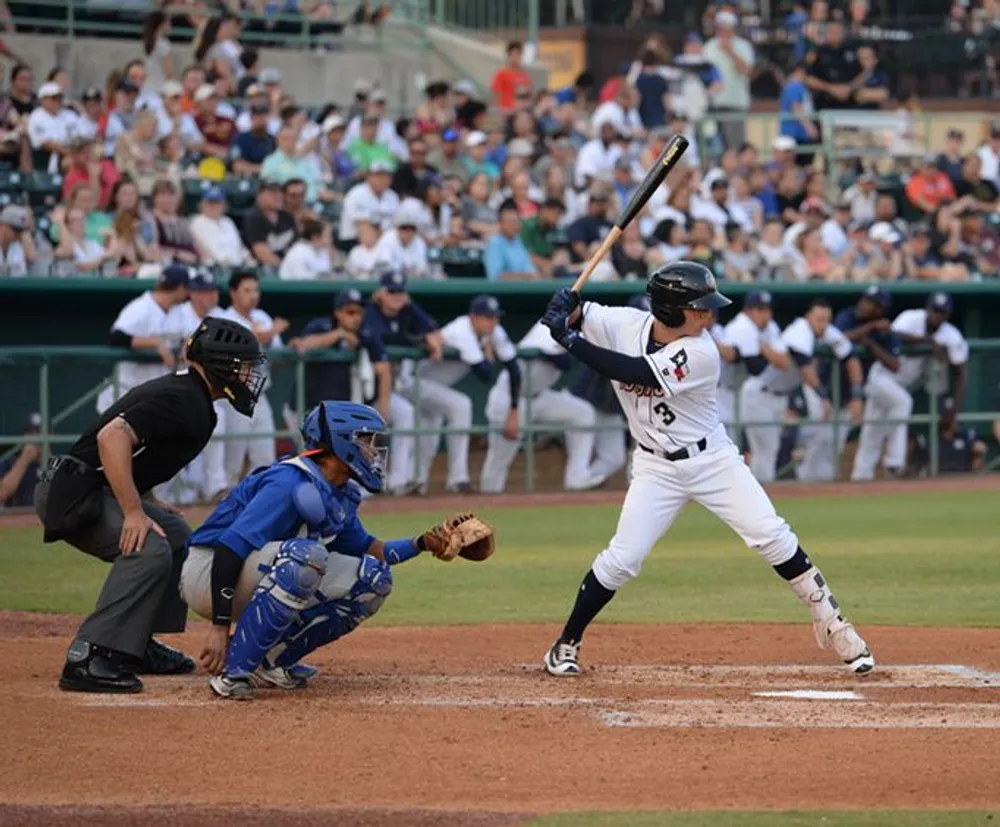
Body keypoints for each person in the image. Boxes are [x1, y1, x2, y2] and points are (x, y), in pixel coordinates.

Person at [538, 263, 874, 678]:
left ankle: (833, 625)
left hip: (712, 461)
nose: (709, 315)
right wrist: (564, 308)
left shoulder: (702, 351)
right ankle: (565, 644)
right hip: (654, 467)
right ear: (670, 309)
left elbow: (634, 371)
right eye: (699, 308)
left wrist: (569, 339)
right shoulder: (624, 323)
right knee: (622, 560)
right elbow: (580, 312)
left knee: (771, 534)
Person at [178, 401, 472, 698]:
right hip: (208, 572)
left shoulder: (339, 491)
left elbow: (374, 551)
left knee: (373, 578)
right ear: (341, 442)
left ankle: (270, 660)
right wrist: (219, 627)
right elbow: (230, 548)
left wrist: (423, 543)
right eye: (366, 440)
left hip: (259, 570)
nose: (373, 451)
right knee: (306, 558)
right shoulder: (287, 481)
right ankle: (234, 673)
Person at [34, 317, 265, 693]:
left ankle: (136, 645)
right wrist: (132, 511)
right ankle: (90, 655)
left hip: (90, 486)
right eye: (243, 365)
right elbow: (112, 438)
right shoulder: (184, 398)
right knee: (148, 548)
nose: (250, 374)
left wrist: (146, 499)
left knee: (175, 535)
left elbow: (139, 452)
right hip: (74, 492)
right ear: (221, 363)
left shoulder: (193, 396)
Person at [407, 295, 519, 495]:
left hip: (434, 388)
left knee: (428, 439)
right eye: (487, 317)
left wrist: (514, 408)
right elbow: (484, 374)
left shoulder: (494, 332)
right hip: (411, 380)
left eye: (495, 317)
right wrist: (487, 351)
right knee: (460, 405)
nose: (493, 322)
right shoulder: (461, 330)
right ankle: (459, 479)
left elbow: (514, 368)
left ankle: (414, 484)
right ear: (474, 318)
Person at [480, 319, 605, 495]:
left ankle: (577, 477)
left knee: (582, 413)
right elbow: (563, 361)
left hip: (540, 396)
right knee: (499, 459)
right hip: (510, 399)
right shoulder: (546, 327)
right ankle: (488, 500)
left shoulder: (576, 329)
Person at [852, 292, 968, 482]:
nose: (937, 316)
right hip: (881, 377)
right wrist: (927, 342)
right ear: (928, 309)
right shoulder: (911, 317)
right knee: (903, 403)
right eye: (935, 311)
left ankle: (861, 478)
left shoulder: (951, 334)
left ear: (948, 315)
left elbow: (961, 372)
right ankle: (895, 463)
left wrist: (953, 407)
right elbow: (893, 332)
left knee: (873, 431)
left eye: (942, 313)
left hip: (900, 384)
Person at [743, 299, 862, 483]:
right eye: (819, 319)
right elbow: (805, 368)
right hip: (760, 392)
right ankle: (757, 495)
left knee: (771, 450)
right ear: (808, 317)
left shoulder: (827, 331)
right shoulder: (799, 330)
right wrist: (823, 398)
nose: (822, 324)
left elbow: (851, 359)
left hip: (779, 395)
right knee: (764, 452)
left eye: (826, 319)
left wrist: (856, 396)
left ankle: (796, 475)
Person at [363, 271, 443, 495]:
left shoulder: (408, 310)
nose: (396, 296)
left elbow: (435, 332)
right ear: (381, 293)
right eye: (391, 291)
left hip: (385, 388)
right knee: (360, 439)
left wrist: (431, 340)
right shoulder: (370, 314)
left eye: (400, 291)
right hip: (362, 390)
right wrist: (385, 407)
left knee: (406, 413)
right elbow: (381, 363)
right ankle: (362, 486)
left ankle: (398, 481)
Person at [160, 270, 229, 504]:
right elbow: (175, 347)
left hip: (209, 389)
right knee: (171, 441)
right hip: (176, 386)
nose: (211, 296)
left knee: (217, 426)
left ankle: (215, 488)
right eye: (205, 291)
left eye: (213, 291)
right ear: (193, 294)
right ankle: (160, 494)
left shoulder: (221, 315)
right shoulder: (179, 314)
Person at [220, 269, 289, 486]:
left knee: (265, 458)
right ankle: (223, 508)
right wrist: (266, 334)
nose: (252, 295)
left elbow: (279, 359)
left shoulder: (262, 318)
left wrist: (268, 339)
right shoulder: (224, 318)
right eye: (246, 290)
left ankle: (260, 507)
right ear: (233, 293)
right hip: (232, 396)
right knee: (232, 460)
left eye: (255, 290)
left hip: (260, 394)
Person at [287, 287, 392, 422]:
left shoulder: (366, 333)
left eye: (359, 312)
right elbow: (302, 344)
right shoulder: (321, 326)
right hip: (306, 408)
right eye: (350, 312)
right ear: (338, 313)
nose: (356, 318)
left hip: (341, 411)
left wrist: (382, 410)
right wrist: (339, 334)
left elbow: (383, 369)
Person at [96, 265, 190, 413]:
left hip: (156, 392)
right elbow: (116, 338)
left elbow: (185, 336)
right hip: (126, 391)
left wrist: (187, 345)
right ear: (179, 288)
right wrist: (155, 342)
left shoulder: (178, 311)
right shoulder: (141, 307)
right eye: (186, 288)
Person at [702, 10, 755, 149]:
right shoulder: (709, 47)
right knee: (713, 147)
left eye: (728, 27)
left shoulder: (744, 46)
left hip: (735, 104)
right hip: (713, 104)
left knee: (735, 147)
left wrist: (730, 51)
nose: (724, 31)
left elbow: (747, 71)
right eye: (721, 27)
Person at [242, 180, 297, 266]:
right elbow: (262, 253)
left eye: (279, 193)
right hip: (262, 269)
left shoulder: (287, 217)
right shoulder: (253, 218)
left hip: (288, 266)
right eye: (272, 193)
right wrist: (286, 270)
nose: (277, 196)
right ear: (259, 196)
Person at [191, 186, 250, 266]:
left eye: (217, 203)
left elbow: (240, 248)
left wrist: (248, 259)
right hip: (217, 267)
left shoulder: (228, 222)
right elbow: (208, 250)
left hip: (237, 266)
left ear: (224, 205)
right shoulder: (197, 222)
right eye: (210, 202)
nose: (213, 206)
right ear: (202, 204)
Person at [484, 199, 539, 281]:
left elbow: (531, 271)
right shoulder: (494, 243)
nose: (515, 225)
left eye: (517, 222)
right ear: (501, 224)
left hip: (526, 289)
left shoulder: (518, 241)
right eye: (511, 222)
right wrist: (526, 277)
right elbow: (496, 277)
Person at [491, 41, 532, 113]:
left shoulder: (524, 75)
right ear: (508, 56)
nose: (516, 58)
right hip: (507, 112)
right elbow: (497, 96)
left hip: (520, 112)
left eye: (518, 55)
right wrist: (500, 111)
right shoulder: (501, 74)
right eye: (514, 55)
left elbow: (529, 94)